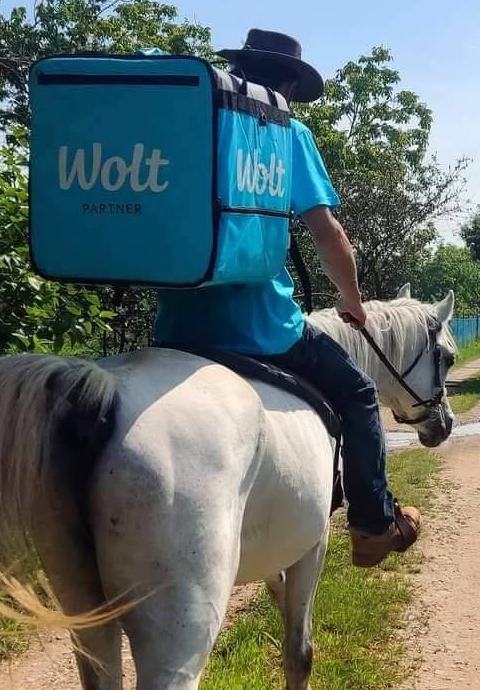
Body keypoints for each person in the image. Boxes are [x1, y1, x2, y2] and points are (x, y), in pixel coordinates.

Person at [153, 29, 420, 569]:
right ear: (290, 87)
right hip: (263, 330)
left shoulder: (189, 128)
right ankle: (371, 524)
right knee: (361, 395)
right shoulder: (285, 134)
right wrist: (353, 298)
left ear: (241, 71)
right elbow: (328, 234)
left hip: (177, 329)